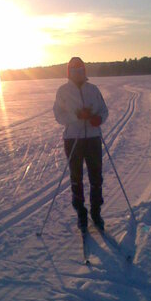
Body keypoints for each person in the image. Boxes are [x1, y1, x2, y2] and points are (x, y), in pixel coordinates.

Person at [53, 57, 109, 233]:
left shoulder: (93, 89)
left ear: (84, 71)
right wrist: (77, 116)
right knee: (76, 178)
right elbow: (58, 115)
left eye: (80, 70)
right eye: (74, 70)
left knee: (96, 177)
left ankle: (96, 213)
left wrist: (98, 119)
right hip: (73, 139)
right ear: (69, 72)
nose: (77, 73)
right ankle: (81, 214)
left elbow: (104, 110)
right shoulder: (63, 91)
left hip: (93, 138)